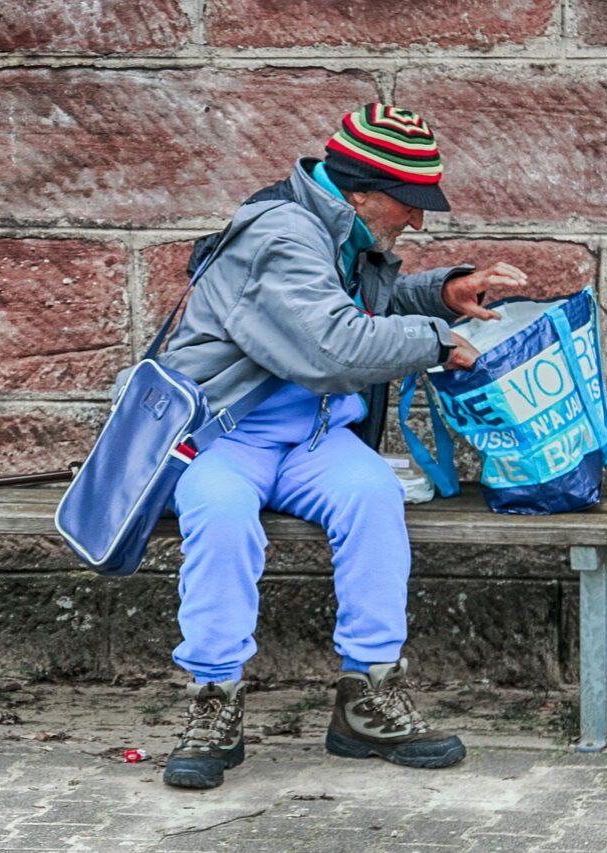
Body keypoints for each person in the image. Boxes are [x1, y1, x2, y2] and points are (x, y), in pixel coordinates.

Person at [156, 103, 528, 789]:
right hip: (227, 434)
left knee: (372, 495)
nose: (415, 219)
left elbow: (360, 308)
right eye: (407, 202)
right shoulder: (282, 234)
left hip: (315, 435)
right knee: (219, 515)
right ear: (358, 189)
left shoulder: (337, 228)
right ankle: (212, 696)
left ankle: (368, 695)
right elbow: (333, 344)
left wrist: (442, 295)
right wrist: (439, 342)